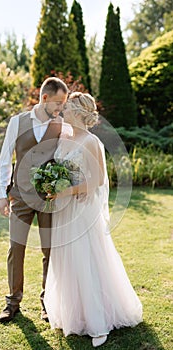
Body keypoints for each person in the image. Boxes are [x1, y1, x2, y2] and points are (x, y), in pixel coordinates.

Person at [44, 92, 143, 347]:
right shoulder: (64, 137)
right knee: (67, 260)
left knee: (86, 259)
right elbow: (59, 169)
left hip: (82, 210)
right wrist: (54, 186)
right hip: (64, 210)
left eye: (67, 109)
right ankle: (74, 316)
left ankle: (98, 321)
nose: (63, 112)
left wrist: (68, 190)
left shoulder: (91, 142)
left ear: (78, 113)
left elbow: (97, 180)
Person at [0, 77, 69, 323]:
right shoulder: (17, 122)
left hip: (49, 199)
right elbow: (5, 158)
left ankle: (47, 304)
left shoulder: (60, 125)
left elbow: (66, 159)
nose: (61, 109)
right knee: (16, 249)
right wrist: (1, 194)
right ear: (45, 98)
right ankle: (12, 302)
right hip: (19, 196)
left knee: (50, 251)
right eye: (58, 103)